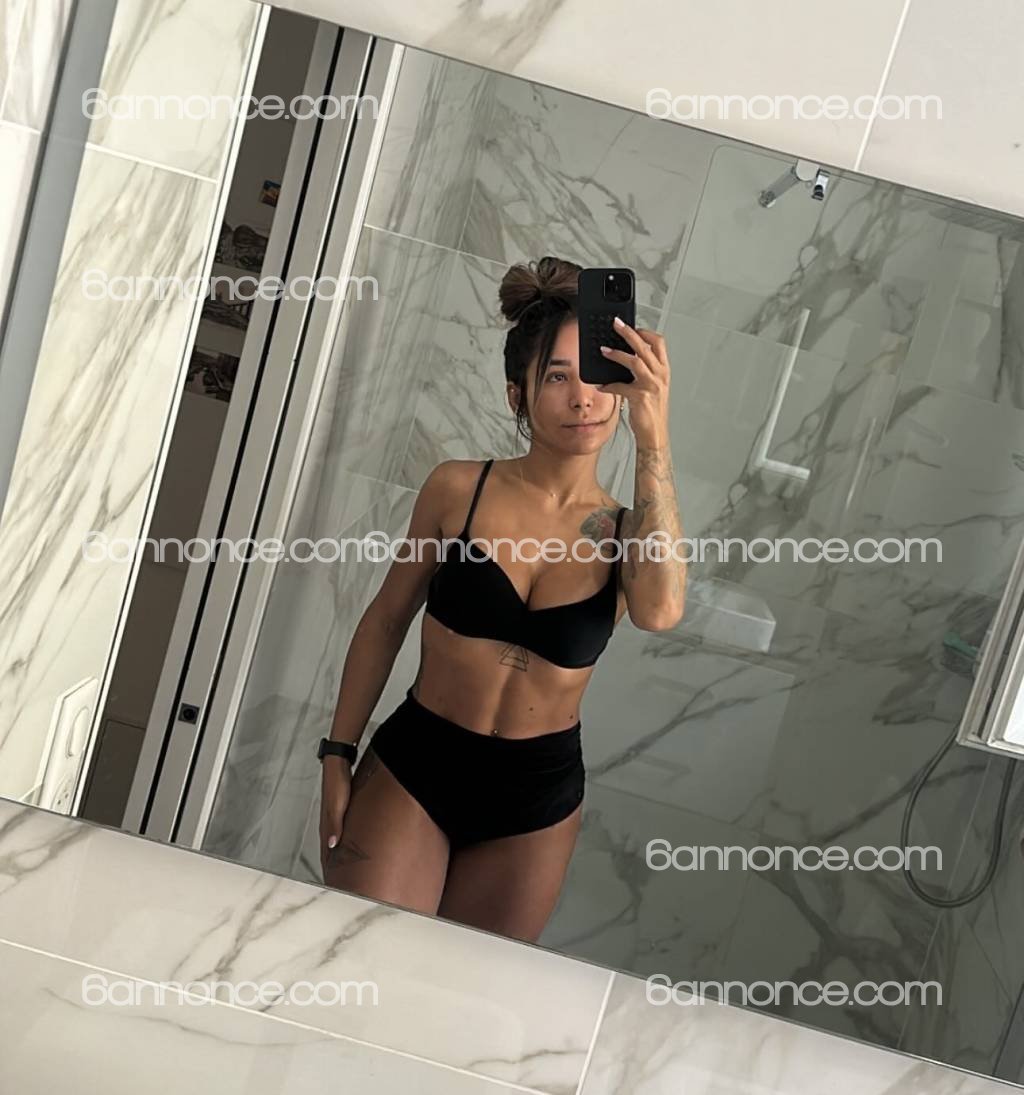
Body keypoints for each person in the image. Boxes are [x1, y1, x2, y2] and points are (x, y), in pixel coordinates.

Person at [318, 255, 685, 942]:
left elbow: (661, 611)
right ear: (518, 395)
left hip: (536, 797)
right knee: (358, 959)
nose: (583, 398)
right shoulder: (458, 488)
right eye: (557, 377)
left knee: (460, 993)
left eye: (596, 376)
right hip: (418, 763)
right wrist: (337, 752)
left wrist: (653, 434)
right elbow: (387, 619)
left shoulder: (628, 531)